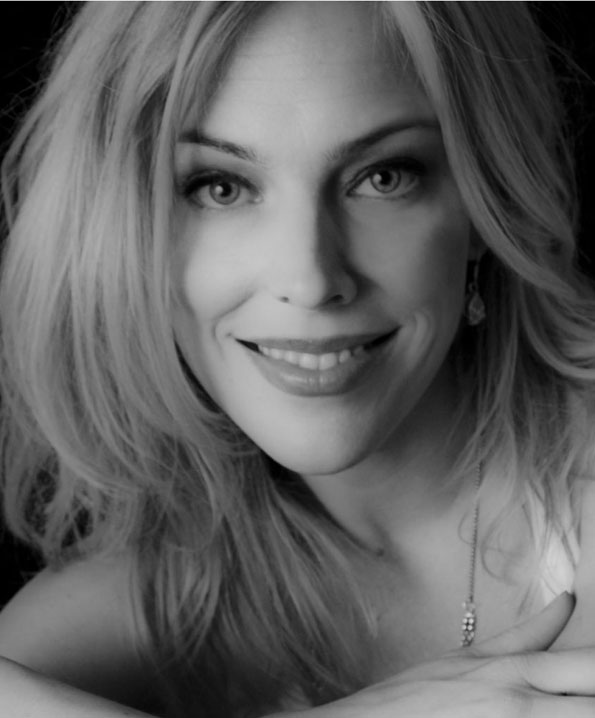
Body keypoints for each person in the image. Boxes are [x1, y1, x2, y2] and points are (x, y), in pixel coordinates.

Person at [1, 1, 595, 716]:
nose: (310, 279)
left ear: (482, 207)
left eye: (383, 176)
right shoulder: (143, 599)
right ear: (124, 229)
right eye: (220, 187)